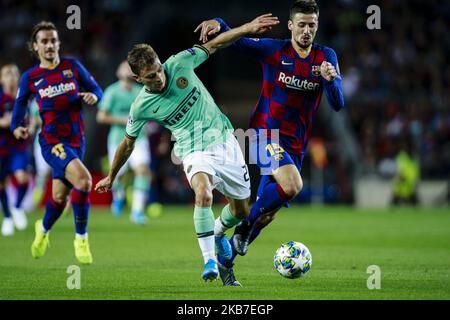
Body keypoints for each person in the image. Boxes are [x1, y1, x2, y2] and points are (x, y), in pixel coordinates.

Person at [95, 14, 279, 281]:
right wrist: (112, 175)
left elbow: (215, 44)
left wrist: (248, 28)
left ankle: (217, 233)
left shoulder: (179, 62)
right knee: (203, 194)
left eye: (158, 69)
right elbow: (127, 143)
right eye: (150, 76)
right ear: (137, 78)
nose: (159, 77)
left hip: (226, 140)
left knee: (242, 211)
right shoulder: (141, 107)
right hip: (193, 150)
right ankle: (210, 263)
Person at [195, 0, 345, 285]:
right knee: (293, 185)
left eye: (311, 25)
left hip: (294, 145)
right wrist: (218, 21)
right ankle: (242, 230)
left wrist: (331, 81)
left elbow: (337, 104)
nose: (306, 31)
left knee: (266, 215)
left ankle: (226, 262)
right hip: (265, 134)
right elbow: (236, 41)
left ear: (317, 26)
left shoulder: (325, 57)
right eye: (301, 24)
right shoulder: (274, 50)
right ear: (291, 25)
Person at [10, 21, 103, 264]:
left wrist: (93, 96)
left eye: (53, 40)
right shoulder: (31, 77)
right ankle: (81, 239)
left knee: (60, 199)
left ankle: (42, 230)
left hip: (76, 140)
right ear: (35, 46)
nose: (50, 45)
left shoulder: (72, 66)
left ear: (58, 43)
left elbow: (96, 89)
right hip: (52, 142)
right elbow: (19, 106)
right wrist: (16, 127)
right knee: (84, 181)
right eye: (44, 41)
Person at [97, 61, 151, 224]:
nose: (127, 69)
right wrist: (124, 120)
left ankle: (137, 211)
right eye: (123, 66)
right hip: (118, 139)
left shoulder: (140, 91)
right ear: (118, 72)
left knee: (142, 170)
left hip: (139, 138)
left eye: (130, 67)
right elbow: (101, 116)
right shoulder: (112, 92)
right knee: (118, 176)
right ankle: (119, 197)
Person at [0, 64, 30, 236]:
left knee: (23, 178)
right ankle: (7, 217)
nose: (11, 77)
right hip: (2, 146)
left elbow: (32, 116)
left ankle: (17, 206)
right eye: (7, 74)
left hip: (18, 145)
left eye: (14, 74)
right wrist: (5, 122)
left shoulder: (24, 95)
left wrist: (31, 124)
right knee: (1, 184)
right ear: (2, 78)